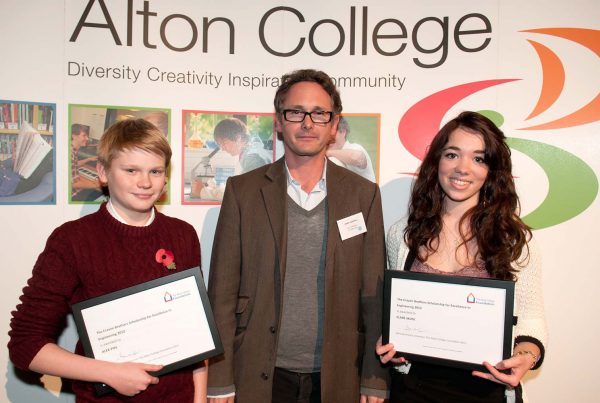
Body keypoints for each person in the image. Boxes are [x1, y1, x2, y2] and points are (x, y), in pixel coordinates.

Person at [207, 69, 388, 403]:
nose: (307, 123)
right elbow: (222, 293)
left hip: (339, 375)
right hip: (260, 372)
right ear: (279, 122)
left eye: (319, 113)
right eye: (296, 112)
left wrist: (374, 379)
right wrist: (219, 378)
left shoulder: (364, 196)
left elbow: (373, 294)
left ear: (334, 125)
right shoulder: (242, 192)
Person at [9, 119, 207, 402]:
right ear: (103, 172)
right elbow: (25, 343)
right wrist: (108, 373)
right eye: (131, 170)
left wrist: (199, 399)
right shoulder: (72, 240)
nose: (145, 182)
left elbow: (196, 334)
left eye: (155, 171)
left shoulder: (183, 234)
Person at [377, 111, 547, 402]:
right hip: (412, 390)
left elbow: (531, 317)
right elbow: (395, 310)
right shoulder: (402, 234)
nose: (463, 168)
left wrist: (526, 355)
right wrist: (390, 338)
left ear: (492, 170)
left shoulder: (514, 240)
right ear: (437, 161)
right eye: (453, 154)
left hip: (489, 392)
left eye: (479, 158)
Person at [326, 117, 376, 182]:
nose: (329, 138)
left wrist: (328, 153)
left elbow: (357, 157)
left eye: (332, 133)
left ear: (343, 132)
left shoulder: (354, 147)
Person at [70, 123, 101, 200]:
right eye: (84, 135)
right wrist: (96, 185)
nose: (87, 138)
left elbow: (74, 165)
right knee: (100, 195)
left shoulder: (72, 149)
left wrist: (88, 159)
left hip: (75, 190)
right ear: (74, 135)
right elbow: (74, 184)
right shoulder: (70, 153)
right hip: (72, 195)